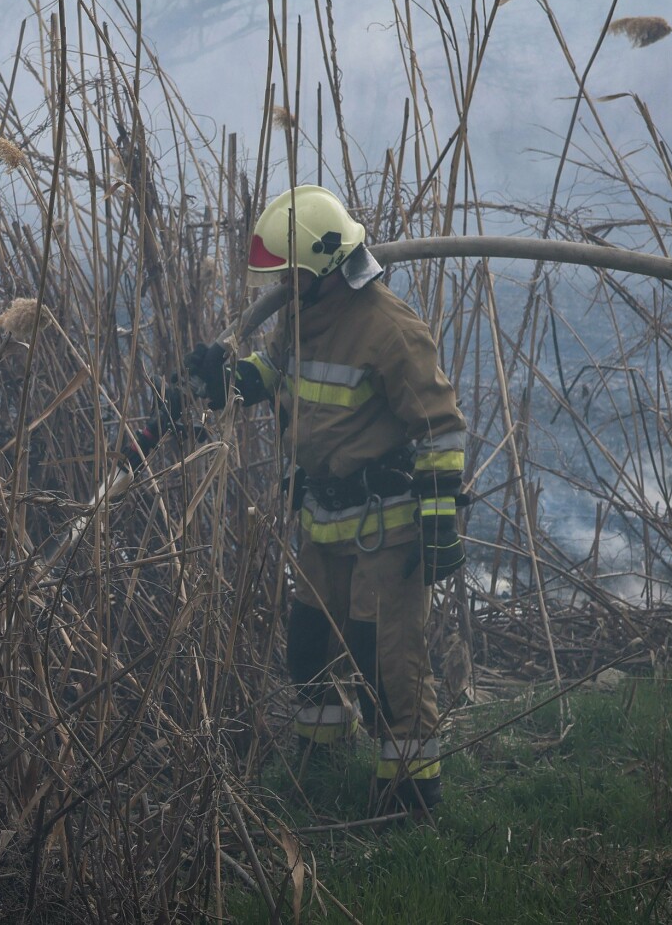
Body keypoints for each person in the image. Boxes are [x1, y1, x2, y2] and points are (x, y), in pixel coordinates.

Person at [185, 185, 468, 814]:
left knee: (387, 665)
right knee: (309, 646)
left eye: (289, 273)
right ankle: (325, 759)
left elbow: (441, 427)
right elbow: (275, 373)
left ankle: (411, 792)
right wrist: (225, 378)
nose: (280, 285)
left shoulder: (389, 329)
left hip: (387, 529)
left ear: (321, 267)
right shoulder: (303, 319)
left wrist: (442, 520)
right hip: (324, 522)